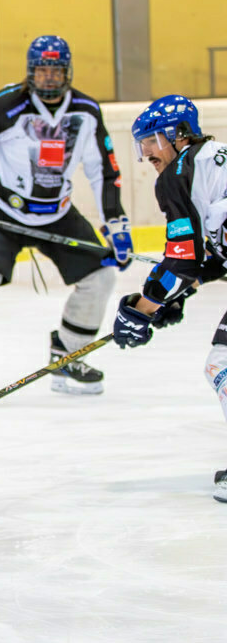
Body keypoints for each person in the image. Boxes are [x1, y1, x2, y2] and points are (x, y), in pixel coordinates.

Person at [0, 35, 133, 405]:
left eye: (56, 70)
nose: (49, 78)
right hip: (0, 211)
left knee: (100, 277)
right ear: (30, 72)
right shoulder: (9, 103)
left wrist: (115, 224)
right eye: (42, 69)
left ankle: (67, 355)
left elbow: (105, 171)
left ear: (67, 72)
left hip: (58, 215)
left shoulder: (86, 111)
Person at [112, 94, 227, 502]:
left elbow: (181, 262)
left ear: (177, 136)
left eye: (150, 141)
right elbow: (209, 261)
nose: (145, 153)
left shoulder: (179, 174)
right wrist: (177, 296)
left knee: (224, 363)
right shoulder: (211, 162)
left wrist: (141, 311)